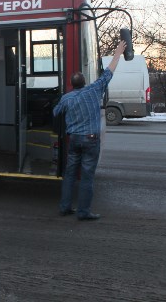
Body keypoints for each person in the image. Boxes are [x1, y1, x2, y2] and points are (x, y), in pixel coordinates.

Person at [53, 40, 127, 221]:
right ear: (85, 82)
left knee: (70, 175)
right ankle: (83, 212)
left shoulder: (66, 98)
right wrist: (118, 52)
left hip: (74, 140)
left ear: (71, 84)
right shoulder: (94, 90)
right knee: (87, 177)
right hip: (91, 139)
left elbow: (56, 112)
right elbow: (109, 71)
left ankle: (64, 207)